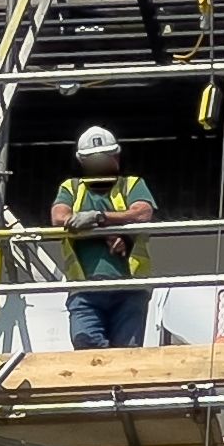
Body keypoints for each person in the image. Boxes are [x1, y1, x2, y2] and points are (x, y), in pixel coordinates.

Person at [51, 126, 156, 350]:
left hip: (129, 287)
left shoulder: (131, 184)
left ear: (117, 156)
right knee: (85, 342)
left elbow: (142, 213)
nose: (101, 166)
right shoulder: (72, 188)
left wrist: (99, 218)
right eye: (95, 161)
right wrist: (104, 232)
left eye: (105, 159)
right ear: (82, 161)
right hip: (85, 288)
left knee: (127, 352)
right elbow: (59, 217)